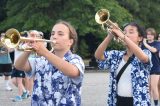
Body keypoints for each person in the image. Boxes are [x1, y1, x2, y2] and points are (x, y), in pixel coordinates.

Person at [14, 20, 85, 105]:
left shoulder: (75, 59)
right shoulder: (41, 60)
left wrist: (45, 52)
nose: (54, 36)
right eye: (52, 34)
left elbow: (72, 72)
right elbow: (18, 65)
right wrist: (29, 48)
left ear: (70, 41)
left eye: (60, 34)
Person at [94, 22, 152, 106]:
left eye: (131, 32)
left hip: (138, 102)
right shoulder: (117, 55)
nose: (126, 34)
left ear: (140, 38)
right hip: (118, 101)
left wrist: (123, 36)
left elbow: (143, 58)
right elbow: (98, 56)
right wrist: (110, 35)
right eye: (124, 32)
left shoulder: (146, 53)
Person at [142, 28, 160, 106]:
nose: (149, 36)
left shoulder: (157, 43)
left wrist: (145, 44)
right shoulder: (142, 45)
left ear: (154, 36)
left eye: (151, 34)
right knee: (147, 88)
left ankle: (156, 104)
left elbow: (154, 50)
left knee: (153, 87)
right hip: (146, 68)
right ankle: (148, 103)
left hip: (155, 68)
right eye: (148, 34)